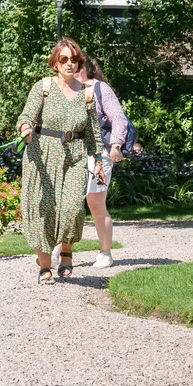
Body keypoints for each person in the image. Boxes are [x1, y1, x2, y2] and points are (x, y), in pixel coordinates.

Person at [16, 37, 102, 283]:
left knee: (73, 208)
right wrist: (25, 128)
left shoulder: (86, 94)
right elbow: (27, 115)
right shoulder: (43, 87)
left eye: (74, 60)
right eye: (64, 59)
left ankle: (66, 249)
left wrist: (97, 161)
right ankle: (44, 267)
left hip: (74, 156)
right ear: (55, 63)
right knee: (44, 211)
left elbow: (93, 131)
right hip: (41, 155)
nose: (69, 64)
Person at [59, 57, 141, 269]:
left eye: (76, 65)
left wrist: (115, 145)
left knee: (95, 203)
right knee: (67, 202)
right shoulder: (66, 90)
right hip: (72, 153)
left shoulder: (100, 88)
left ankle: (105, 252)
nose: (71, 68)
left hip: (99, 153)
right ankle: (60, 250)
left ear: (85, 69)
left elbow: (119, 118)